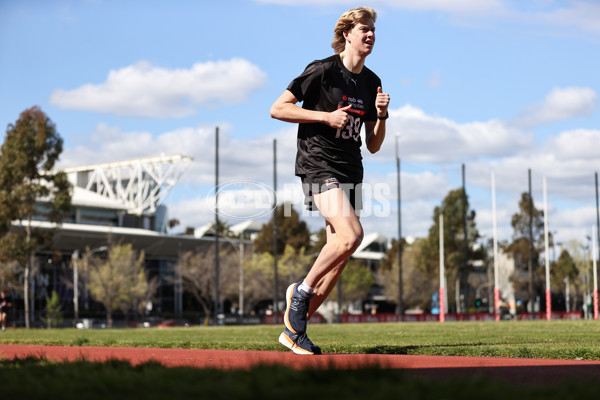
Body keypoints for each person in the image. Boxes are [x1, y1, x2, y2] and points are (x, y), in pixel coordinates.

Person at [270, 6, 390, 355]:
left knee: (341, 253)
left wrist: (381, 115)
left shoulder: (371, 82)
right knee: (353, 235)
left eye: (373, 31)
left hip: (352, 169)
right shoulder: (322, 69)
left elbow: (374, 144)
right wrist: (325, 116)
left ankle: (294, 331)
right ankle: (300, 294)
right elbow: (278, 108)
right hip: (318, 164)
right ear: (347, 33)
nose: (370, 35)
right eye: (364, 29)